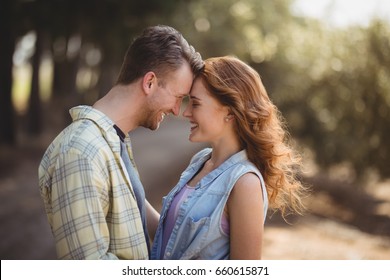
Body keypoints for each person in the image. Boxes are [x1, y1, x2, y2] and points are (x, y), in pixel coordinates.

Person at [38, 25, 204, 260]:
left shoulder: (114, 141)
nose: (178, 110)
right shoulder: (81, 152)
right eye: (178, 98)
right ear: (149, 83)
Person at [151, 56, 306, 260]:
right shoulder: (200, 161)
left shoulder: (245, 183)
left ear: (230, 113)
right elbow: (170, 238)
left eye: (195, 104)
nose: (185, 112)